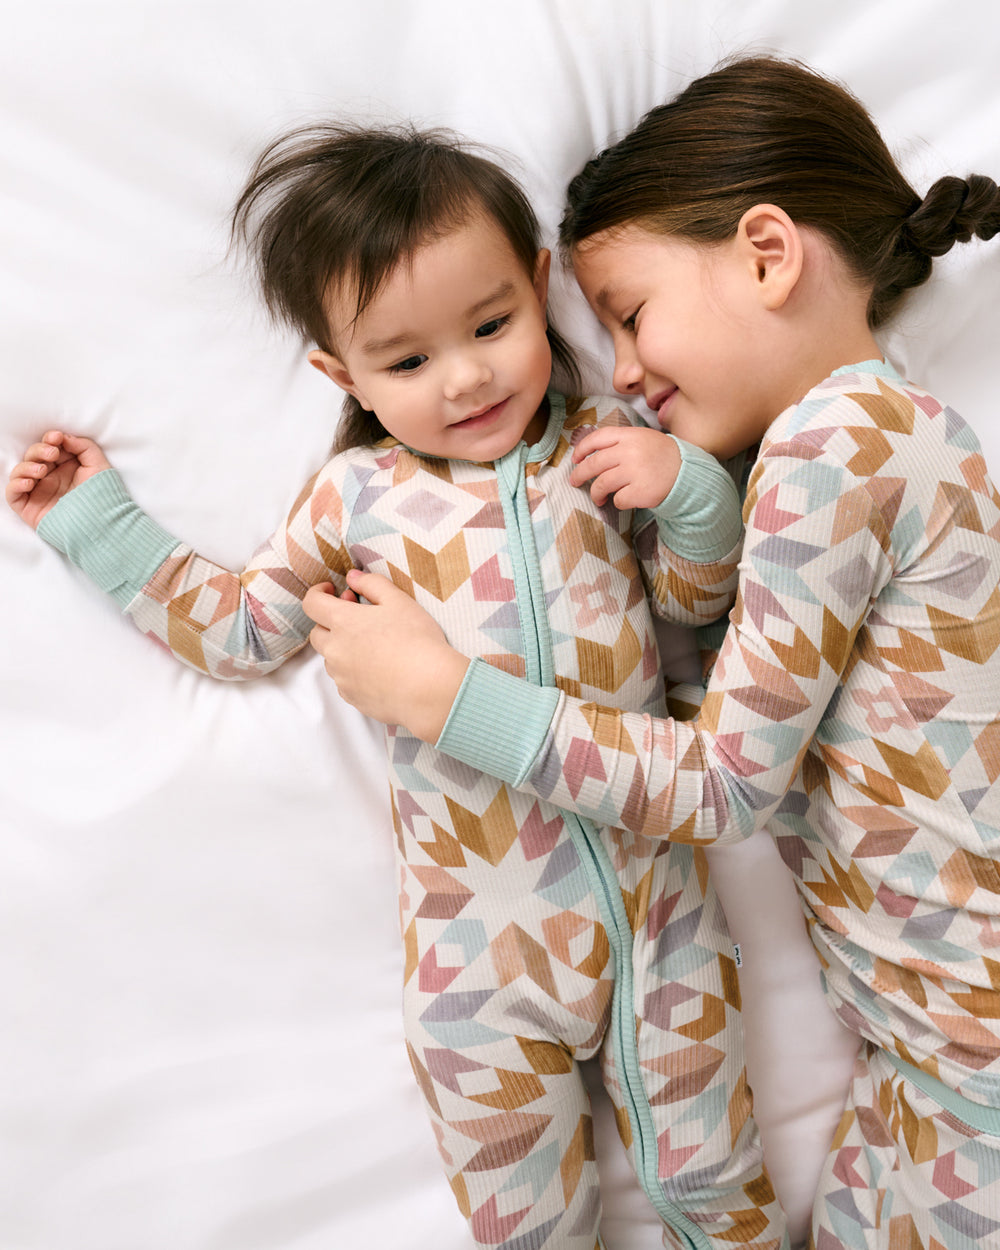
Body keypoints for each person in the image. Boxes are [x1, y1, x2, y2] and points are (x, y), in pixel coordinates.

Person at [6, 125, 789, 1250]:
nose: (466, 376)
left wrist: (690, 492)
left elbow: (694, 604)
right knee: (527, 1223)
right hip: (479, 959)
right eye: (408, 361)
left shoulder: (603, 446)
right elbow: (236, 630)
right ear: (343, 376)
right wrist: (97, 523)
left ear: (537, 288)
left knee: (716, 1183)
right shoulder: (355, 497)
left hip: (663, 924)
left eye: (491, 326)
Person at [300, 57, 1000, 1249]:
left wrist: (448, 696)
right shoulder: (873, 443)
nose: (618, 371)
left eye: (626, 314)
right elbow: (747, 699)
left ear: (767, 254)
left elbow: (725, 780)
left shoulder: (840, 441)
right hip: (924, 1048)